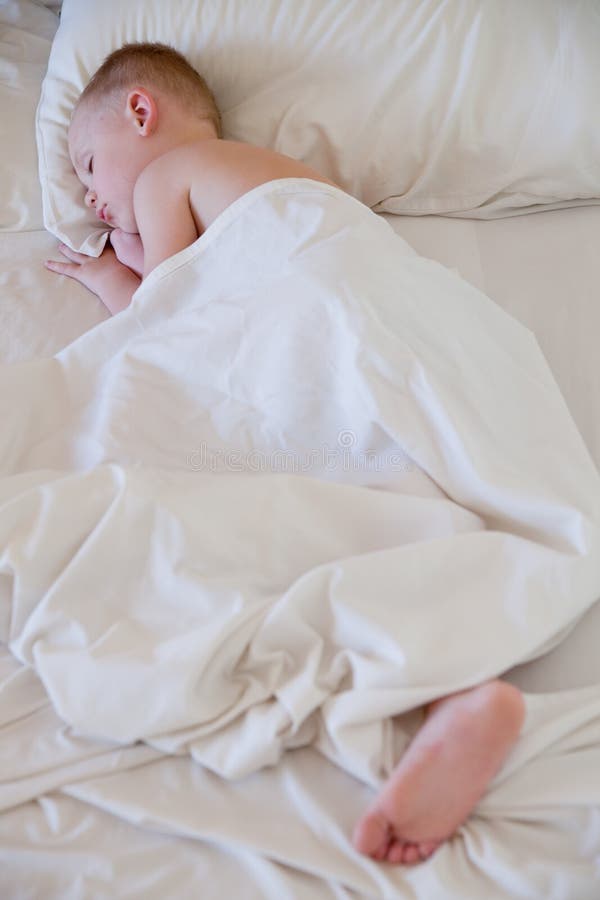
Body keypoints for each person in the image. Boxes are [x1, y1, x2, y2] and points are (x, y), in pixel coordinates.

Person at [46, 42, 526, 865]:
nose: (90, 197)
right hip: (379, 300)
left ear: (140, 113)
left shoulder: (170, 176)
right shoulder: (274, 174)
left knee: (298, 500)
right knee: (391, 483)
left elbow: (167, 316)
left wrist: (110, 275)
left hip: (306, 317)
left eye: (89, 164)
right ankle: (458, 690)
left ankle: (436, 692)